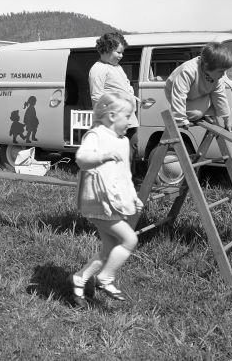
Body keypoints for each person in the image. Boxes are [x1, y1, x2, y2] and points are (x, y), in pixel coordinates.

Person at [68, 92, 143, 307]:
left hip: (114, 201)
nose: (131, 121)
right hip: (98, 201)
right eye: (128, 116)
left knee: (109, 249)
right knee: (130, 240)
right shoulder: (96, 135)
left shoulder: (123, 141)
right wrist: (102, 156)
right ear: (111, 116)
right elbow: (82, 158)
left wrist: (133, 196)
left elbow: (124, 173)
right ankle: (105, 278)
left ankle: (79, 279)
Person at [165, 42, 232, 131]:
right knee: (196, 114)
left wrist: (227, 120)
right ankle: (201, 113)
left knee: (215, 105)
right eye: (221, 71)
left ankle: (205, 113)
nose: (223, 74)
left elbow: (220, 98)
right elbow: (179, 95)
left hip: (198, 93)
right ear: (206, 66)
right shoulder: (188, 71)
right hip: (174, 92)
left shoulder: (217, 77)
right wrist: (180, 119)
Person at [89, 32, 139, 154]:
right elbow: (97, 97)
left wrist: (133, 98)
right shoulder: (98, 69)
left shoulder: (117, 67)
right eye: (118, 52)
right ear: (106, 50)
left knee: (132, 148)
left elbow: (125, 87)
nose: (121, 56)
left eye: (122, 52)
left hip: (129, 119)